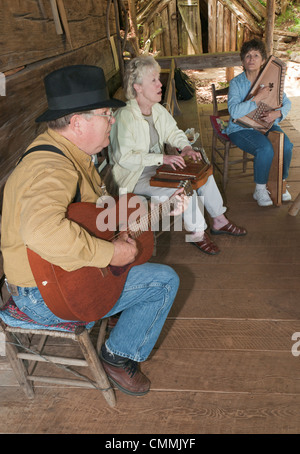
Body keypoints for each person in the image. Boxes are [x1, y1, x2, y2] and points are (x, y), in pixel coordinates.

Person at [0, 64, 185, 397]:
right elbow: (42, 232)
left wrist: (163, 210)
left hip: (51, 275)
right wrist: (112, 252)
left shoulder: (68, 153)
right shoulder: (51, 168)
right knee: (164, 281)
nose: (112, 121)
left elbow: (88, 214)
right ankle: (118, 356)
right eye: (105, 114)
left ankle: (117, 315)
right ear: (77, 122)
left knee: (137, 252)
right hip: (41, 294)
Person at [108, 55, 247, 256]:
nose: (160, 84)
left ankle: (219, 220)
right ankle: (197, 232)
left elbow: (173, 132)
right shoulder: (125, 117)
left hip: (156, 168)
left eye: (158, 79)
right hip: (134, 176)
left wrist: (185, 148)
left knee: (202, 172)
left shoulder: (156, 109)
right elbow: (125, 159)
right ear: (137, 87)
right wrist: (162, 159)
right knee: (183, 188)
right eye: (153, 80)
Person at [223, 38, 293, 207]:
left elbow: (287, 102)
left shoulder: (270, 79)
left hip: (266, 125)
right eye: (248, 56)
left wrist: (277, 113)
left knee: (287, 146)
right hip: (239, 128)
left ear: (263, 60)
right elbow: (233, 112)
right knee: (265, 148)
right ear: (243, 61)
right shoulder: (237, 83)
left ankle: (280, 183)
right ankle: (260, 189)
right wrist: (256, 99)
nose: (252, 59)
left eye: (256, 55)